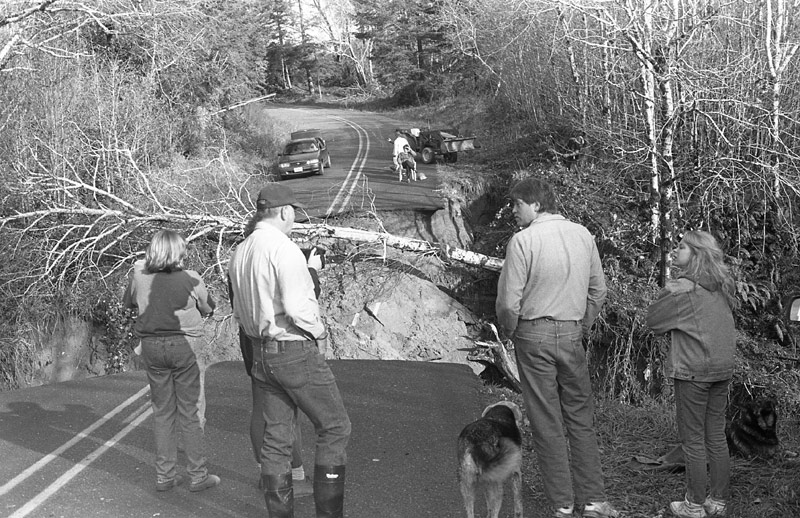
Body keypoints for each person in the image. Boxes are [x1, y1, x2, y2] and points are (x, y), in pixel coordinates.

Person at [495, 178, 618, 518]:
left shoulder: (522, 242)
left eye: (517, 204)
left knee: (546, 419)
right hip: (571, 332)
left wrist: (512, 329)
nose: (513, 211)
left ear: (535, 205)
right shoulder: (583, 234)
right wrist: (583, 323)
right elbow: (599, 291)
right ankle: (593, 499)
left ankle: (563, 504)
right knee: (580, 416)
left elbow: (509, 302)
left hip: (533, 334)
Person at [228, 183, 351, 518]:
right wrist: (320, 332)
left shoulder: (241, 252)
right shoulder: (284, 250)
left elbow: (238, 309)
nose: (294, 217)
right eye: (293, 211)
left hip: (260, 350)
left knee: (277, 438)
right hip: (294, 348)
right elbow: (298, 308)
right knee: (335, 426)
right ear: (284, 212)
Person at [646, 230, 737, 518]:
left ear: (696, 254)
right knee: (715, 436)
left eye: (682, 247)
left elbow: (653, 321)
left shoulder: (682, 289)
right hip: (721, 369)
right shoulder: (721, 286)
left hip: (694, 372)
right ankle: (718, 501)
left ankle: (694, 505)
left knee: (693, 440)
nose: (675, 250)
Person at [122, 230, 220, 493]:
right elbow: (209, 308)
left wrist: (141, 268)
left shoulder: (140, 276)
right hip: (184, 345)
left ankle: (165, 475)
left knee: (163, 411)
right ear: (179, 253)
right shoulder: (191, 278)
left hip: (152, 347)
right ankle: (198, 475)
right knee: (191, 411)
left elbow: (128, 303)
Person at [230, 244, 325, 498]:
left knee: (261, 407)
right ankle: (294, 474)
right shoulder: (276, 256)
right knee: (288, 409)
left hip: (250, 337)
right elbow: (297, 301)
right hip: (279, 339)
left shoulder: (240, 257)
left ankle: (267, 473)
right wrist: (311, 271)